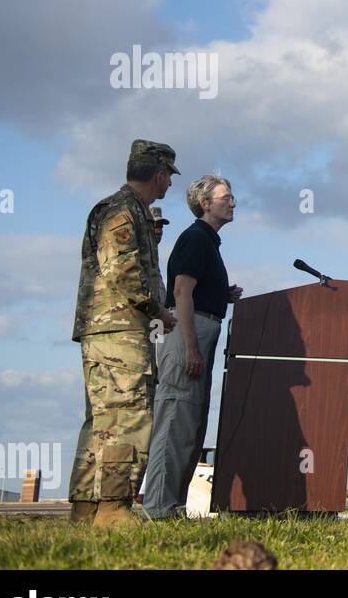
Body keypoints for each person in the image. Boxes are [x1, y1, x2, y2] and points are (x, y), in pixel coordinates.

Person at [69, 139, 179, 527]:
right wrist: (159, 311)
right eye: (168, 178)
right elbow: (122, 271)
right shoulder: (122, 209)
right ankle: (114, 509)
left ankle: (86, 510)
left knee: (101, 422)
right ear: (159, 174)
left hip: (110, 329)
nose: (169, 186)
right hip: (121, 331)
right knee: (127, 417)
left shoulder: (131, 211)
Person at [145, 175, 242, 519]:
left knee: (190, 425)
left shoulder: (209, 242)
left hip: (201, 329)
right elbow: (182, 293)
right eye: (226, 197)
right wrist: (190, 347)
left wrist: (221, 294)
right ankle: (158, 508)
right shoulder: (195, 238)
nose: (233, 202)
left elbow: (195, 290)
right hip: (189, 334)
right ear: (205, 204)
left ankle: (173, 506)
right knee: (174, 421)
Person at [150, 206, 170, 307]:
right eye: (155, 226)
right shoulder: (137, 252)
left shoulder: (153, 253)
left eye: (161, 227)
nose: (159, 231)